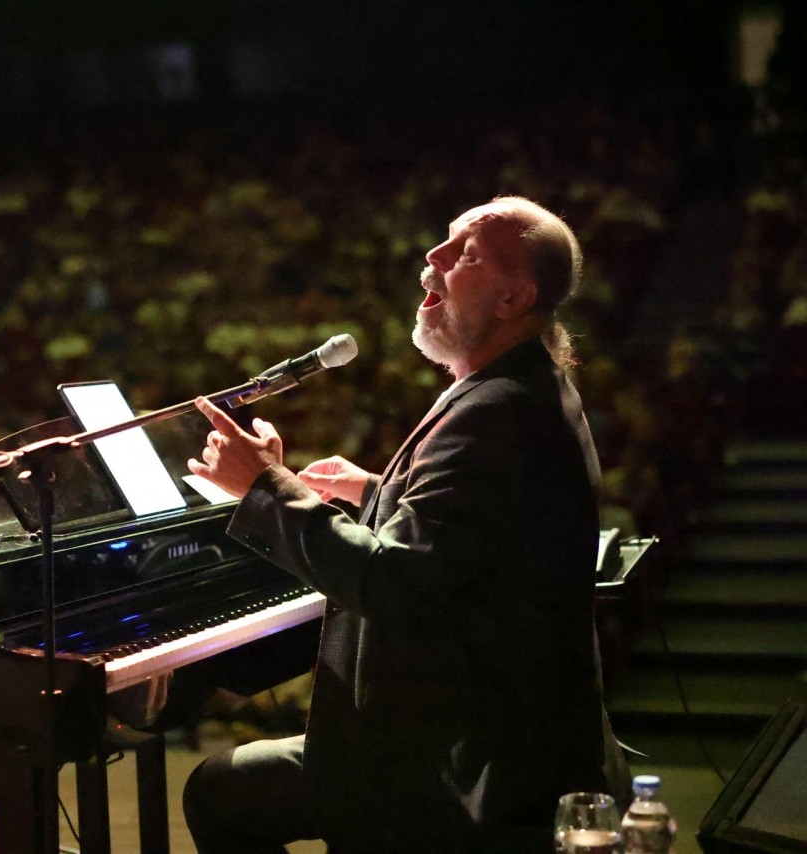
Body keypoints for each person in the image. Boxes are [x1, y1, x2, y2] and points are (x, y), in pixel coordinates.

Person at [183, 196, 631, 852]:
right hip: (486, 734)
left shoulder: (495, 410)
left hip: (457, 767)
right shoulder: (522, 386)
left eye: (465, 255)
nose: (432, 259)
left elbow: (392, 581)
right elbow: (475, 532)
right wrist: (375, 490)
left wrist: (265, 489)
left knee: (221, 792)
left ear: (513, 299)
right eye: (442, 242)